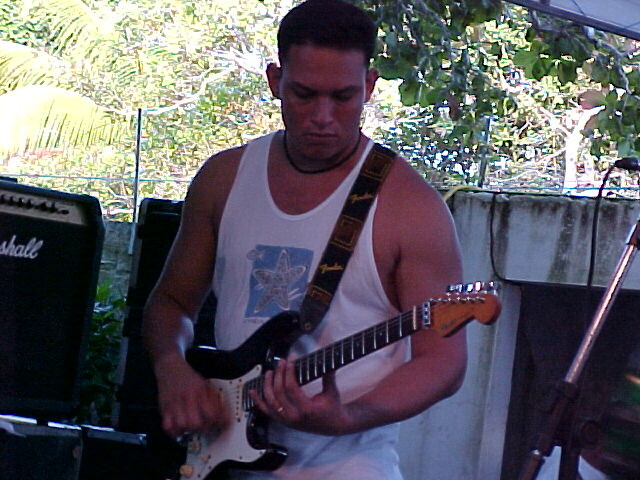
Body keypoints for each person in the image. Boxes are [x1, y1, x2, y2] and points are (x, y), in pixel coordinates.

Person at [142, 0, 466, 478]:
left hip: (348, 466)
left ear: (369, 86)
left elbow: (444, 362)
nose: (322, 116)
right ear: (275, 80)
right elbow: (170, 302)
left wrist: (347, 417)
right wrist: (172, 368)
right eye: (304, 94)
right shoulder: (223, 178)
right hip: (220, 457)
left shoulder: (411, 207)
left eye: (343, 97)